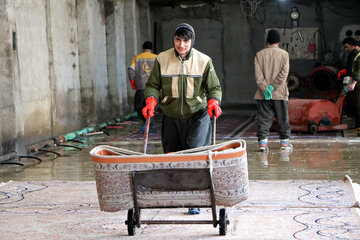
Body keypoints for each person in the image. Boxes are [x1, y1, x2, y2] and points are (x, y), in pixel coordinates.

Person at [142, 23, 222, 214]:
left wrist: (214, 102)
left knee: (194, 152)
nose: (182, 45)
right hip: (171, 115)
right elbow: (153, 85)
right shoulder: (162, 59)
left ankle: (195, 198)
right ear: (174, 39)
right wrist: (151, 100)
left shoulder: (204, 61)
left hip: (198, 114)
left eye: (186, 41)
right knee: (173, 155)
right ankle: (180, 194)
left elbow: (214, 87)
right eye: (178, 40)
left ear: (192, 41)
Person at [254, 29, 292, 151]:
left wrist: (265, 89)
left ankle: (263, 143)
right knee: (282, 119)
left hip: (263, 95)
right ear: (278, 42)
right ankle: (284, 143)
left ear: (267, 41)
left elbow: (258, 76)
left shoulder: (259, 55)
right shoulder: (284, 54)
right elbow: (284, 74)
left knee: (264, 119)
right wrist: (273, 86)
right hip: (280, 93)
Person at [128, 41, 157, 132]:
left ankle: (145, 122)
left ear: (143, 48)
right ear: (152, 49)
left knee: (140, 106)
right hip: (154, 87)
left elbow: (131, 71)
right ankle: (149, 125)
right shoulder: (157, 58)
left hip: (141, 86)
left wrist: (133, 83)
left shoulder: (137, 58)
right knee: (153, 108)